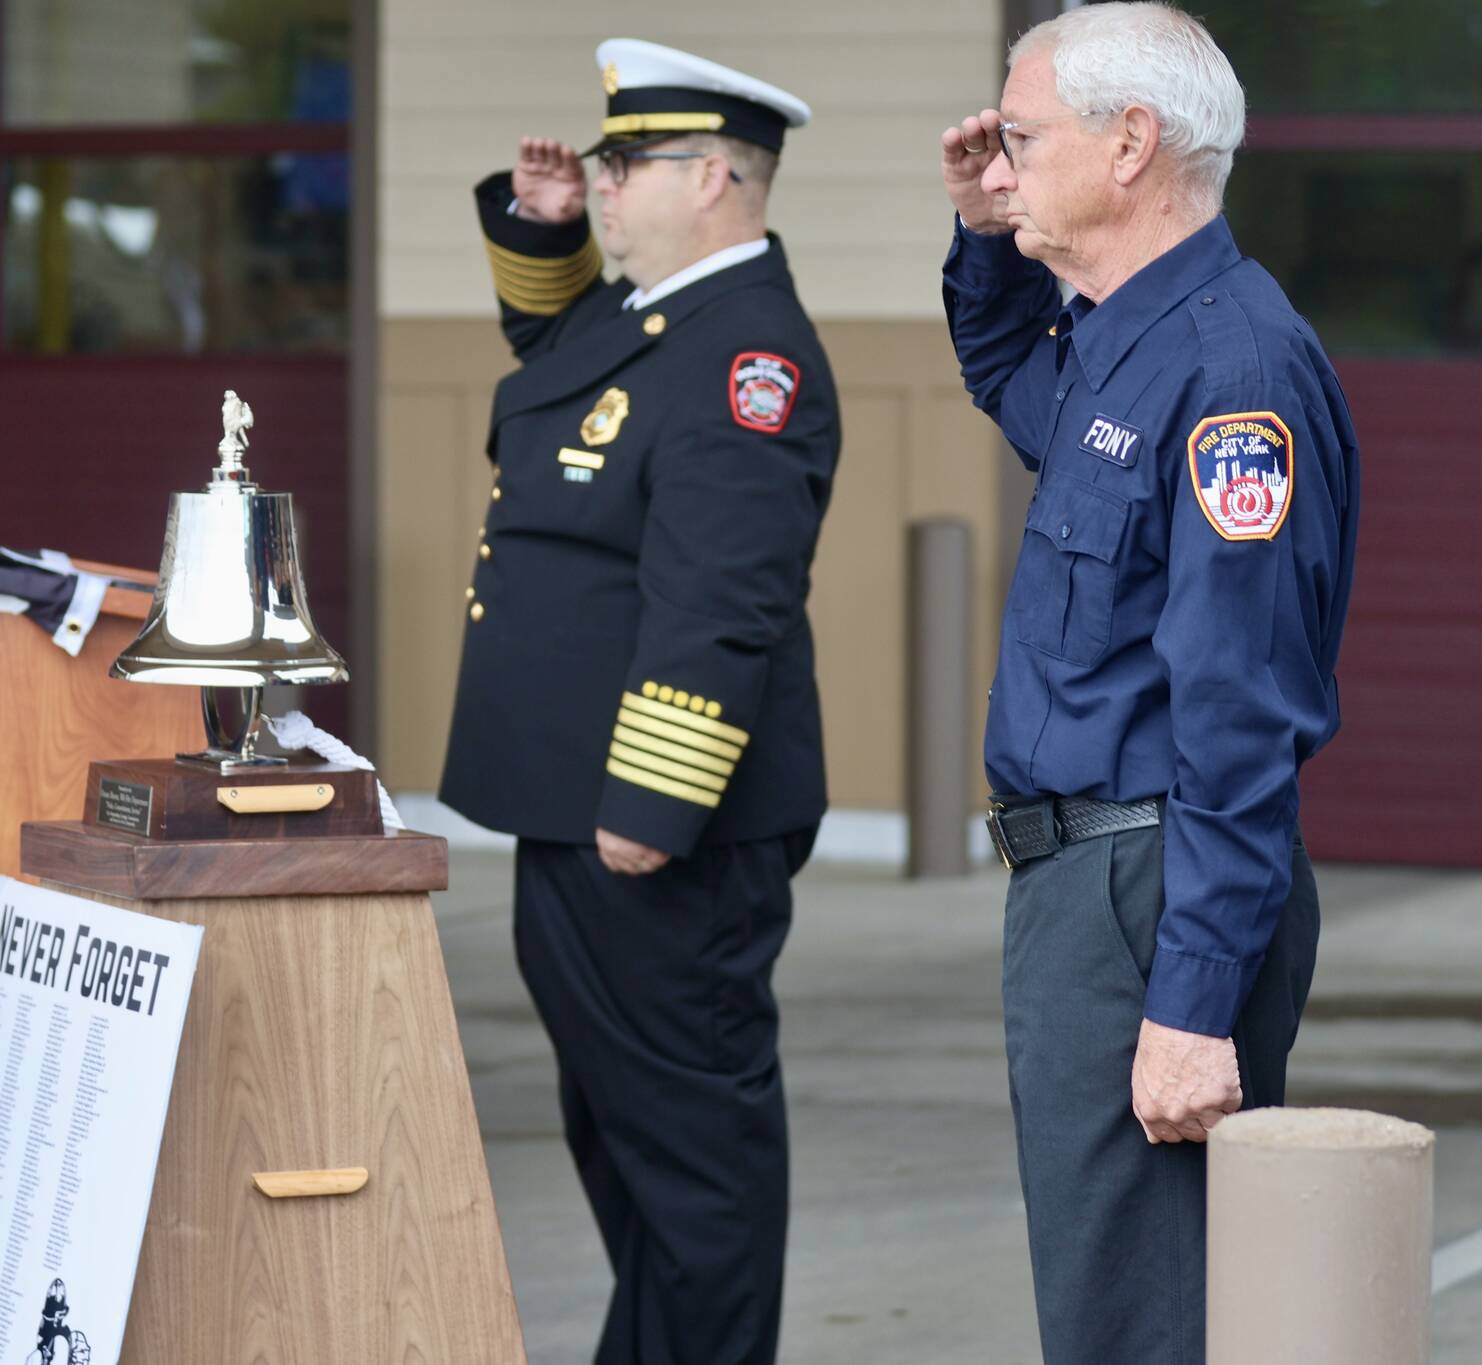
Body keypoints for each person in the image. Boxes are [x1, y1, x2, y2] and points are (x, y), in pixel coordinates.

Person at [937, 5, 1358, 1360]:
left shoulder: (1234, 371)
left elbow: (1240, 719)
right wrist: (984, 237)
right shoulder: (1123, 335)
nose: (998, 166)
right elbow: (1006, 373)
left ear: (1132, 144)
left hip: (1152, 888)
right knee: (1111, 1301)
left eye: (1019, 137)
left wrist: (1193, 996)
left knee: (1148, 1315)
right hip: (1090, 890)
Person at [438, 37, 839, 1365]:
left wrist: (654, 802)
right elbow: (552, 358)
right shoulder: (646, 317)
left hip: (657, 833)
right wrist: (542, 231)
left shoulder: (748, 360)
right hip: (571, 811)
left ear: (717, 176)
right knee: (619, 1136)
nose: (602, 181)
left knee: (694, 1161)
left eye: (627, 164)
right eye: (600, 163)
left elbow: (722, 600)